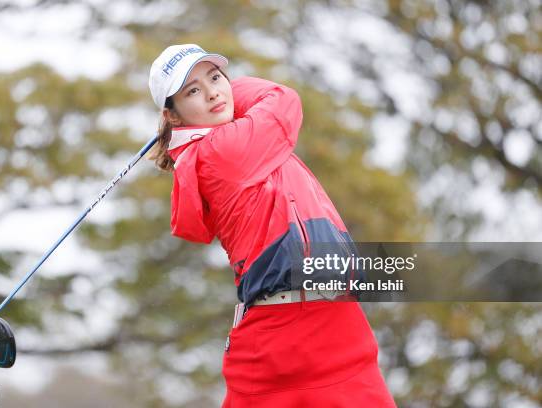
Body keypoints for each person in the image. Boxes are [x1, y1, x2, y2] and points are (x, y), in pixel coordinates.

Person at [148, 44, 396, 407]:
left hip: (339, 330)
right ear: (173, 115)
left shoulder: (248, 142)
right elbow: (283, 100)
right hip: (282, 340)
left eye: (215, 78)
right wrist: (231, 89)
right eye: (193, 91)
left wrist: (214, 94)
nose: (213, 92)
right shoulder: (219, 153)